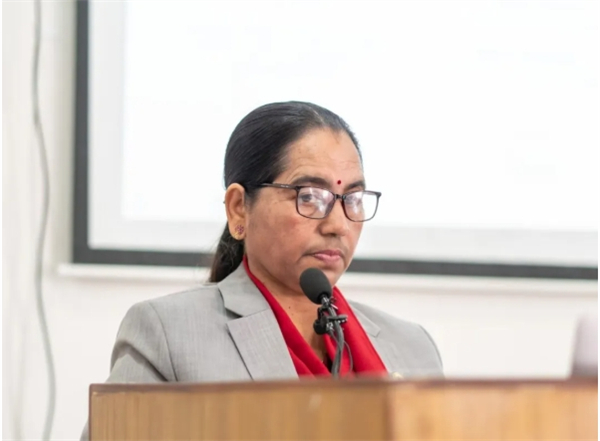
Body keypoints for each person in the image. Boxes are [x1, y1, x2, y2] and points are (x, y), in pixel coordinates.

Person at [81, 101, 442, 439]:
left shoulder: (411, 346)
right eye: (309, 197)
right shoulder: (169, 334)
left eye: (352, 199)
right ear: (239, 208)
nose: (338, 224)